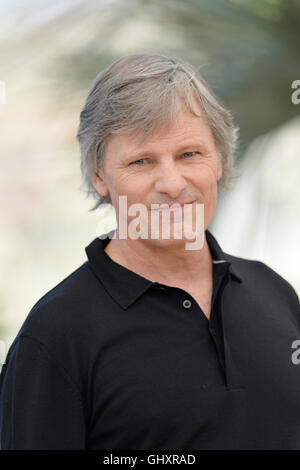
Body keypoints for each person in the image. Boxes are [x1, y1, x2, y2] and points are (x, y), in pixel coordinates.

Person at [0, 53, 299, 450]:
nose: (172, 183)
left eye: (189, 154)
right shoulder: (55, 338)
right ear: (99, 176)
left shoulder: (275, 294)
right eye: (141, 161)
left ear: (220, 160)